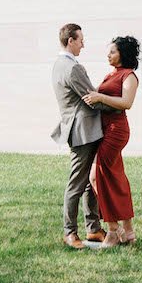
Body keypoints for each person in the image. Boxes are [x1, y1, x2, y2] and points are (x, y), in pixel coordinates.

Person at [50, 22, 105, 249]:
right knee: (77, 183)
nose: (83, 44)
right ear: (70, 40)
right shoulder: (72, 68)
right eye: (81, 39)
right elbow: (90, 97)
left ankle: (93, 229)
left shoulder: (59, 65)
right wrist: (119, 104)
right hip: (82, 131)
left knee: (88, 184)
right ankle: (70, 233)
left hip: (82, 129)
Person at [83, 35, 141, 247]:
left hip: (116, 131)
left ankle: (113, 230)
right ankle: (128, 231)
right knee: (116, 179)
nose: (108, 55)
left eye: (113, 52)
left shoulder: (129, 76)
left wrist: (100, 97)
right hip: (104, 129)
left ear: (123, 54)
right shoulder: (111, 74)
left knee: (96, 177)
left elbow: (127, 103)